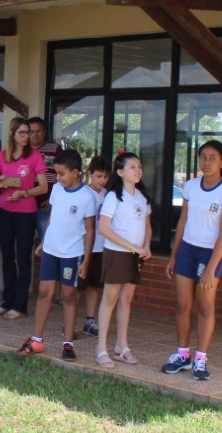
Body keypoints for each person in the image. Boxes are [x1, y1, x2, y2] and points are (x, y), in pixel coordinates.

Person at [163, 140, 222, 381]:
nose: (206, 162)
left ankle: (201, 358)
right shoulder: (191, 186)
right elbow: (182, 221)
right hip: (187, 249)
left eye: (212, 158)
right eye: (203, 157)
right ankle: (182, 354)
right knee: (182, 305)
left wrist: (211, 270)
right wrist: (173, 255)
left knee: (205, 307)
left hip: (209, 253)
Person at [18, 149, 97, 360]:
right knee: (45, 292)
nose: (59, 178)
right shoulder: (57, 190)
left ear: (76, 173)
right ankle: (37, 340)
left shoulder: (87, 197)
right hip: (51, 249)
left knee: (68, 295)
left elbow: (90, 231)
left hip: (72, 253)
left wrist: (86, 261)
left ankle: (68, 343)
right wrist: (44, 242)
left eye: (62, 174)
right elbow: (54, 218)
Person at [94, 152, 152, 369]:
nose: (137, 170)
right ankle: (101, 349)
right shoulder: (113, 197)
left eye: (139, 167)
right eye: (132, 167)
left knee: (126, 300)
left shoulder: (142, 197)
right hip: (117, 254)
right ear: (120, 172)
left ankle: (122, 346)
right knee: (109, 299)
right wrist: (130, 246)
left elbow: (147, 226)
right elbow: (104, 229)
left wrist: (146, 246)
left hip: (135, 256)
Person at [0, 118, 47, 319]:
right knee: (7, 257)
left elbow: (43, 186)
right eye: (22, 132)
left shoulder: (35, 156)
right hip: (4, 210)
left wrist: (24, 193)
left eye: (28, 133)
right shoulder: (2, 156)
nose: (26, 136)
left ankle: (20, 305)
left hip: (26, 212)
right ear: (12, 133)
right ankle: (7, 301)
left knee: (23, 258)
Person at [78, 155, 112, 338]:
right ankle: (70, 321)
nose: (102, 180)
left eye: (105, 177)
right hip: (83, 247)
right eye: (99, 176)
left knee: (94, 286)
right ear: (89, 174)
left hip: (101, 246)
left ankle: (89, 320)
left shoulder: (108, 195)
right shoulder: (83, 193)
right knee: (77, 286)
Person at [27, 116, 60, 248]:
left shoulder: (56, 149)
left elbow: (63, 178)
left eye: (38, 131)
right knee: (24, 246)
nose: (34, 135)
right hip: (24, 206)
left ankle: (47, 269)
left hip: (45, 206)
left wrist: (53, 200)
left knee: (47, 244)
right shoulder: (22, 150)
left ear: (44, 132)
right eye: (31, 131)